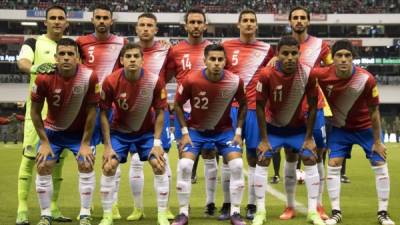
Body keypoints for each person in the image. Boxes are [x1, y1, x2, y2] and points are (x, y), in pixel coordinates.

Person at [315, 40, 395, 225]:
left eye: (348, 56)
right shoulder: (321, 75)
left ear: (353, 58)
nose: (343, 59)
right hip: (340, 129)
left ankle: (383, 213)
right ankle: (336, 212)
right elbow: (300, 72)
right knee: (333, 164)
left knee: (379, 162)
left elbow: (374, 111)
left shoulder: (366, 79)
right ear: (332, 58)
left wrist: (377, 141)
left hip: (365, 128)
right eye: (339, 56)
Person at [269, 6, 333, 220]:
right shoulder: (281, 46)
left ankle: (319, 205)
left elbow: (332, 72)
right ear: (289, 21)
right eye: (295, 18)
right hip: (289, 108)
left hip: (315, 106)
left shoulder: (321, 46)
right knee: (290, 153)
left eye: (302, 18)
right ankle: (289, 206)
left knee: (318, 154)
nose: (299, 21)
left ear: (308, 21)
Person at [172, 44, 247, 225]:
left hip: (224, 132)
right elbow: (177, 105)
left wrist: (238, 133)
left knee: (237, 165)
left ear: (225, 61)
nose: (216, 63)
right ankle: (183, 214)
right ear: (205, 60)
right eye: (212, 59)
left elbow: (244, 104)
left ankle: (235, 213)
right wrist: (184, 133)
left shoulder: (235, 81)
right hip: (196, 132)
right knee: (184, 165)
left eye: (220, 59)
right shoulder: (191, 80)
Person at [98, 43, 170, 225]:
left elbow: (161, 112)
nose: (132, 59)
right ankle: (107, 215)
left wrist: (156, 143)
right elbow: (103, 114)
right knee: (108, 166)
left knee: (159, 165)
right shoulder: (110, 81)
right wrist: (107, 146)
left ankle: (162, 214)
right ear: (121, 60)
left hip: (146, 133)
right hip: (119, 133)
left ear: (142, 60)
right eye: (128, 56)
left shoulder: (155, 81)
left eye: (136, 56)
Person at [256, 36, 324, 225]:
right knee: (263, 158)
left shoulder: (308, 74)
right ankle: (260, 211)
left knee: (310, 157)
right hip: (274, 129)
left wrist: (309, 137)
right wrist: (263, 139)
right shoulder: (266, 74)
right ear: (277, 54)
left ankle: (313, 212)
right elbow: (259, 107)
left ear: (299, 54)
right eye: (285, 53)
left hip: (297, 129)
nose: (289, 57)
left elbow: (312, 107)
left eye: (294, 53)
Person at [30, 38, 99, 225]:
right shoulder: (43, 78)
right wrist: (44, 142)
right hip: (52, 132)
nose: (66, 57)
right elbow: (35, 112)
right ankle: (46, 214)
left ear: (77, 57)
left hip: (79, 134)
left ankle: (85, 213)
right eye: (62, 54)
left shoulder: (90, 76)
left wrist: (85, 143)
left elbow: (93, 111)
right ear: (56, 57)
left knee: (86, 163)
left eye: (70, 54)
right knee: (43, 165)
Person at [16, 5, 71, 225]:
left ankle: (54, 207)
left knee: (57, 162)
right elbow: (23, 63)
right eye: (53, 18)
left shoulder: (70, 47)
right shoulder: (33, 42)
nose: (57, 21)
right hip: (37, 114)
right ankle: (22, 209)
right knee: (30, 159)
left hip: (63, 116)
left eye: (61, 18)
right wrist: (38, 67)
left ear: (67, 23)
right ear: (45, 22)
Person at [221, 8, 274, 221]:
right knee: (228, 158)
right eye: (245, 20)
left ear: (257, 25)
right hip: (230, 108)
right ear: (238, 24)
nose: (249, 24)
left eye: (252, 21)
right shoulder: (226, 47)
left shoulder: (267, 49)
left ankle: (252, 204)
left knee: (254, 157)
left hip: (254, 108)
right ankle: (227, 204)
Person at [76, 3, 127, 219]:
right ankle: (86, 206)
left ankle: (112, 203)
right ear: (92, 20)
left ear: (112, 21)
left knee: (111, 155)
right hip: (86, 106)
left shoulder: (121, 42)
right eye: (99, 17)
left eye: (106, 18)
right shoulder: (81, 43)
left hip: (113, 107)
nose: (102, 21)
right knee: (87, 154)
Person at [166, 8, 218, 217]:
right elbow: (166, 76)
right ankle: (184, 207)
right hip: (184, 114)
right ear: (185, 25)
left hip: (209, 113)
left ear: (205, 25)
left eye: (199, 22)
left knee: (210, 153)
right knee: (184, 158)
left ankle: (210, 203)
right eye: (192, 22)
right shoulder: (176, 50)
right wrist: (169, 100)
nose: (196, 26)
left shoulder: (214, 49)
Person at [125, 12, 174, 221]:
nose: (145, 28)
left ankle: (166, 208)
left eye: (149, 25)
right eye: (141, 25)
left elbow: (171, 73)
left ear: (156, 29)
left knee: (162, 159)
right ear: (136, 29)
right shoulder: (128, 52)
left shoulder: (165, 50)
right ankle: (138, 208)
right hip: (133, 113)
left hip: (157, 112)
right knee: (135, 160)